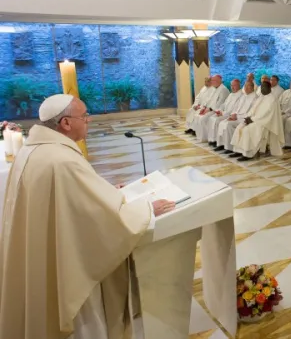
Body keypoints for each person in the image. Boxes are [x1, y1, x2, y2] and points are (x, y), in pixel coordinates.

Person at [0, 94, 175, 339]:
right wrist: (146, 210)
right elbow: (99, 221)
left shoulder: (35, 151)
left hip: (43, 256)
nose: (88, 120)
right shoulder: (61, 160)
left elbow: (72, 201)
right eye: (83, 116)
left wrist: (105, 192)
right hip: (70, 271)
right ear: (66, 124)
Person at [230, 81, 285, 161]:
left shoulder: (272, 99)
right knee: (240, 127)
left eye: (264, 87)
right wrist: (248, 117)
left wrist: (252, 119)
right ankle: (239, 151)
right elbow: (253, 109)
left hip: (264, 123)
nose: (262, 89)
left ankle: (248, 154)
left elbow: (265, 114)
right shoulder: (261, 96)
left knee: (247, 130)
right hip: (255, 119)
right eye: (261, 87)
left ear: (269, 88)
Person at [216, 81, 257, 153]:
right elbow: (236, 108)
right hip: (237, 117)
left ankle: (230, 147)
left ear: (252, 87)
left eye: (248, 86)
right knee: (223, 122)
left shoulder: (255, 98)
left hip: (244, 119)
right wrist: (232, 115)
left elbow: (251, 113)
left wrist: (237, 117)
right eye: (245, 86)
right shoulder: (243, 96)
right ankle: (224, 145)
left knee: (228, 125)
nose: (246, 88)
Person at [190, 75, 230, 139]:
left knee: (203, 119)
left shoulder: (223, 89)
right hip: (210, 109)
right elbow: (209, 100)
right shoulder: (215, 88)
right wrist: (204, 108)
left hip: (217, 110)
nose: (212, 82)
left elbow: (220, 103)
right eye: (212, 80)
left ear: (218, 81)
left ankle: (208, 138)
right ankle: (203, 136)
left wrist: (209, 109)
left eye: (213, 80)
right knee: (199, 116)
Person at [206, 79, 243, 146]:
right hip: (224, 113)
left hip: (229, 114)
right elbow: (224, 104)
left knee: (217, 120)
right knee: (212, 118)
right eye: (231, 85)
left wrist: (222, 113)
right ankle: (214, 139)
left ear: (239, 85)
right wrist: (219, 110)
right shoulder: (231, 94)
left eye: (234, 85)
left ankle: (222, 143)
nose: (232, 87)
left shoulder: (241, 95)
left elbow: (234, 109)